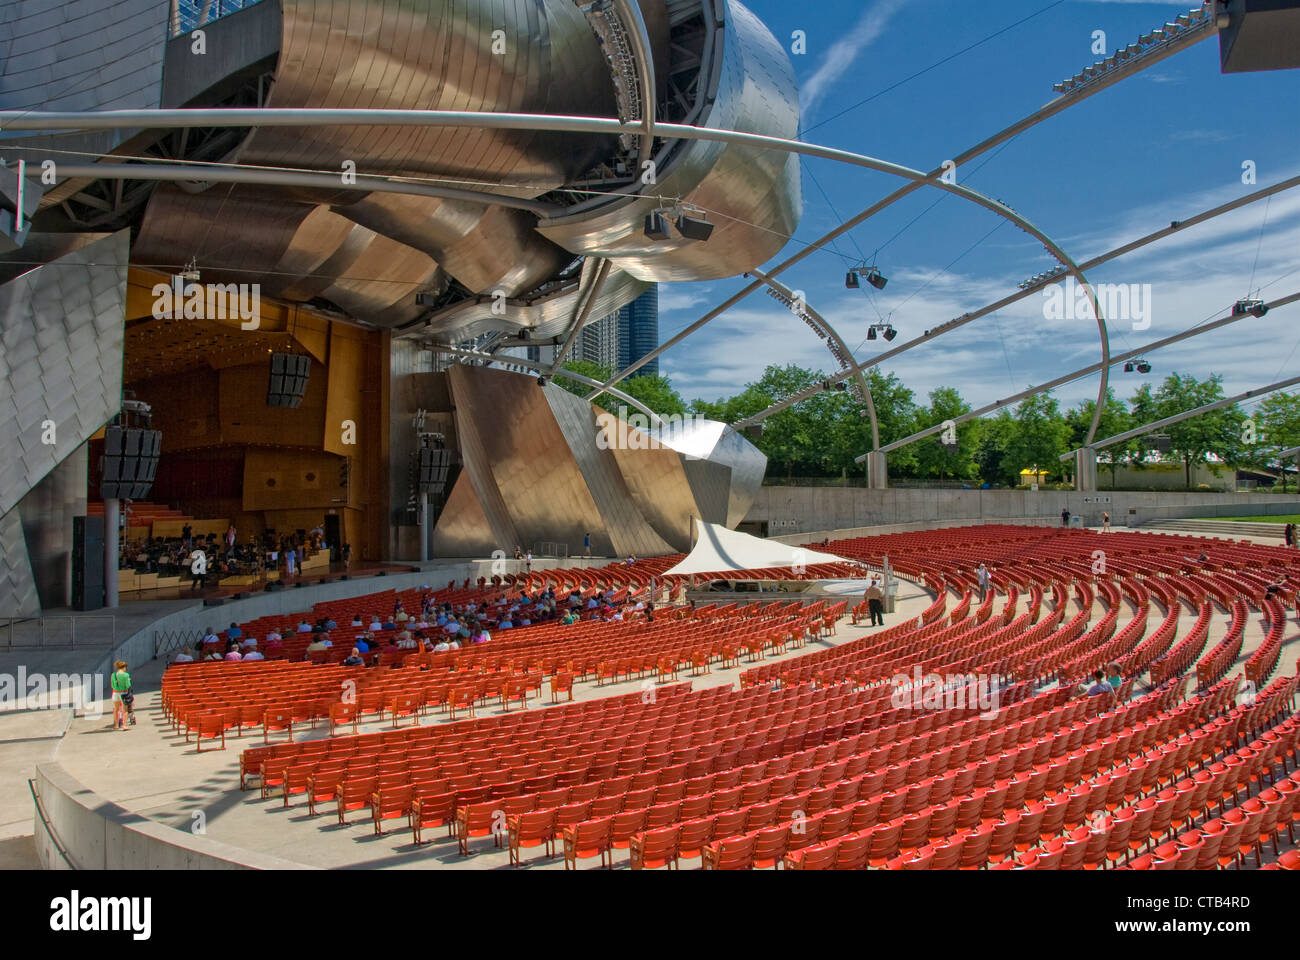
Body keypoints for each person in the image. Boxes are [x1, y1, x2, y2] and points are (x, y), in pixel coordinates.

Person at [109, 661, 134, 729]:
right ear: (123, 667)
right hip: (124, 693)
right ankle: (124, 725)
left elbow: (112, 685)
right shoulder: (126, 675)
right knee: (124, 710)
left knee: (116, 709)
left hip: (115, 693)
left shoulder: (113, 675)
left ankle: (116, 725)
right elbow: (128, 685)